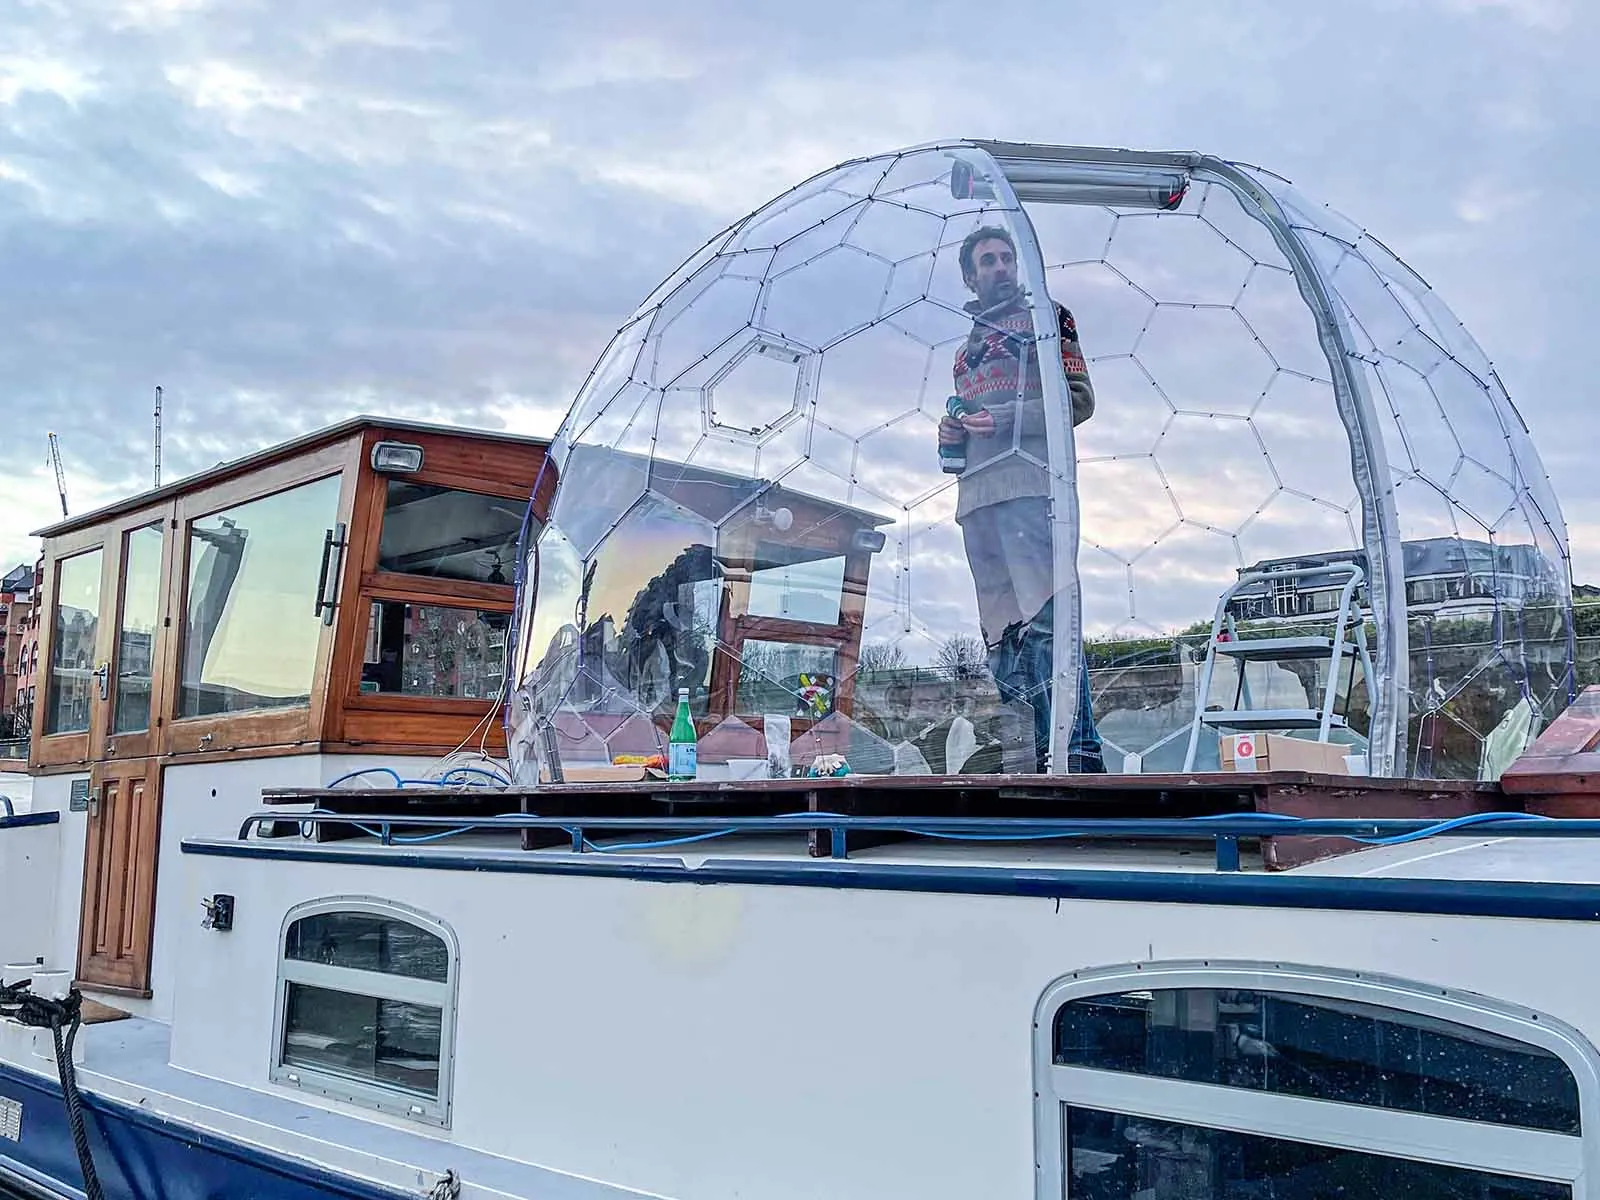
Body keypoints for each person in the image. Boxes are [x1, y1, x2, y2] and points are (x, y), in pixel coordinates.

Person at [939, 224, 1106, 773]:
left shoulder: (1048, 319)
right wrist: (952, 438)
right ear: (969, 275)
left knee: (1049, 624)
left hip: (1032, 492)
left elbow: (1076, 403)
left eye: (1005, 257)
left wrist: (1005, 421)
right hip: (977, 501)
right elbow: (972, 428)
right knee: (1002, 640)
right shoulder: (964, 352)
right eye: (986, 261)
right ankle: (1025, 758)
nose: (999, 267)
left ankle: (1078, 756)